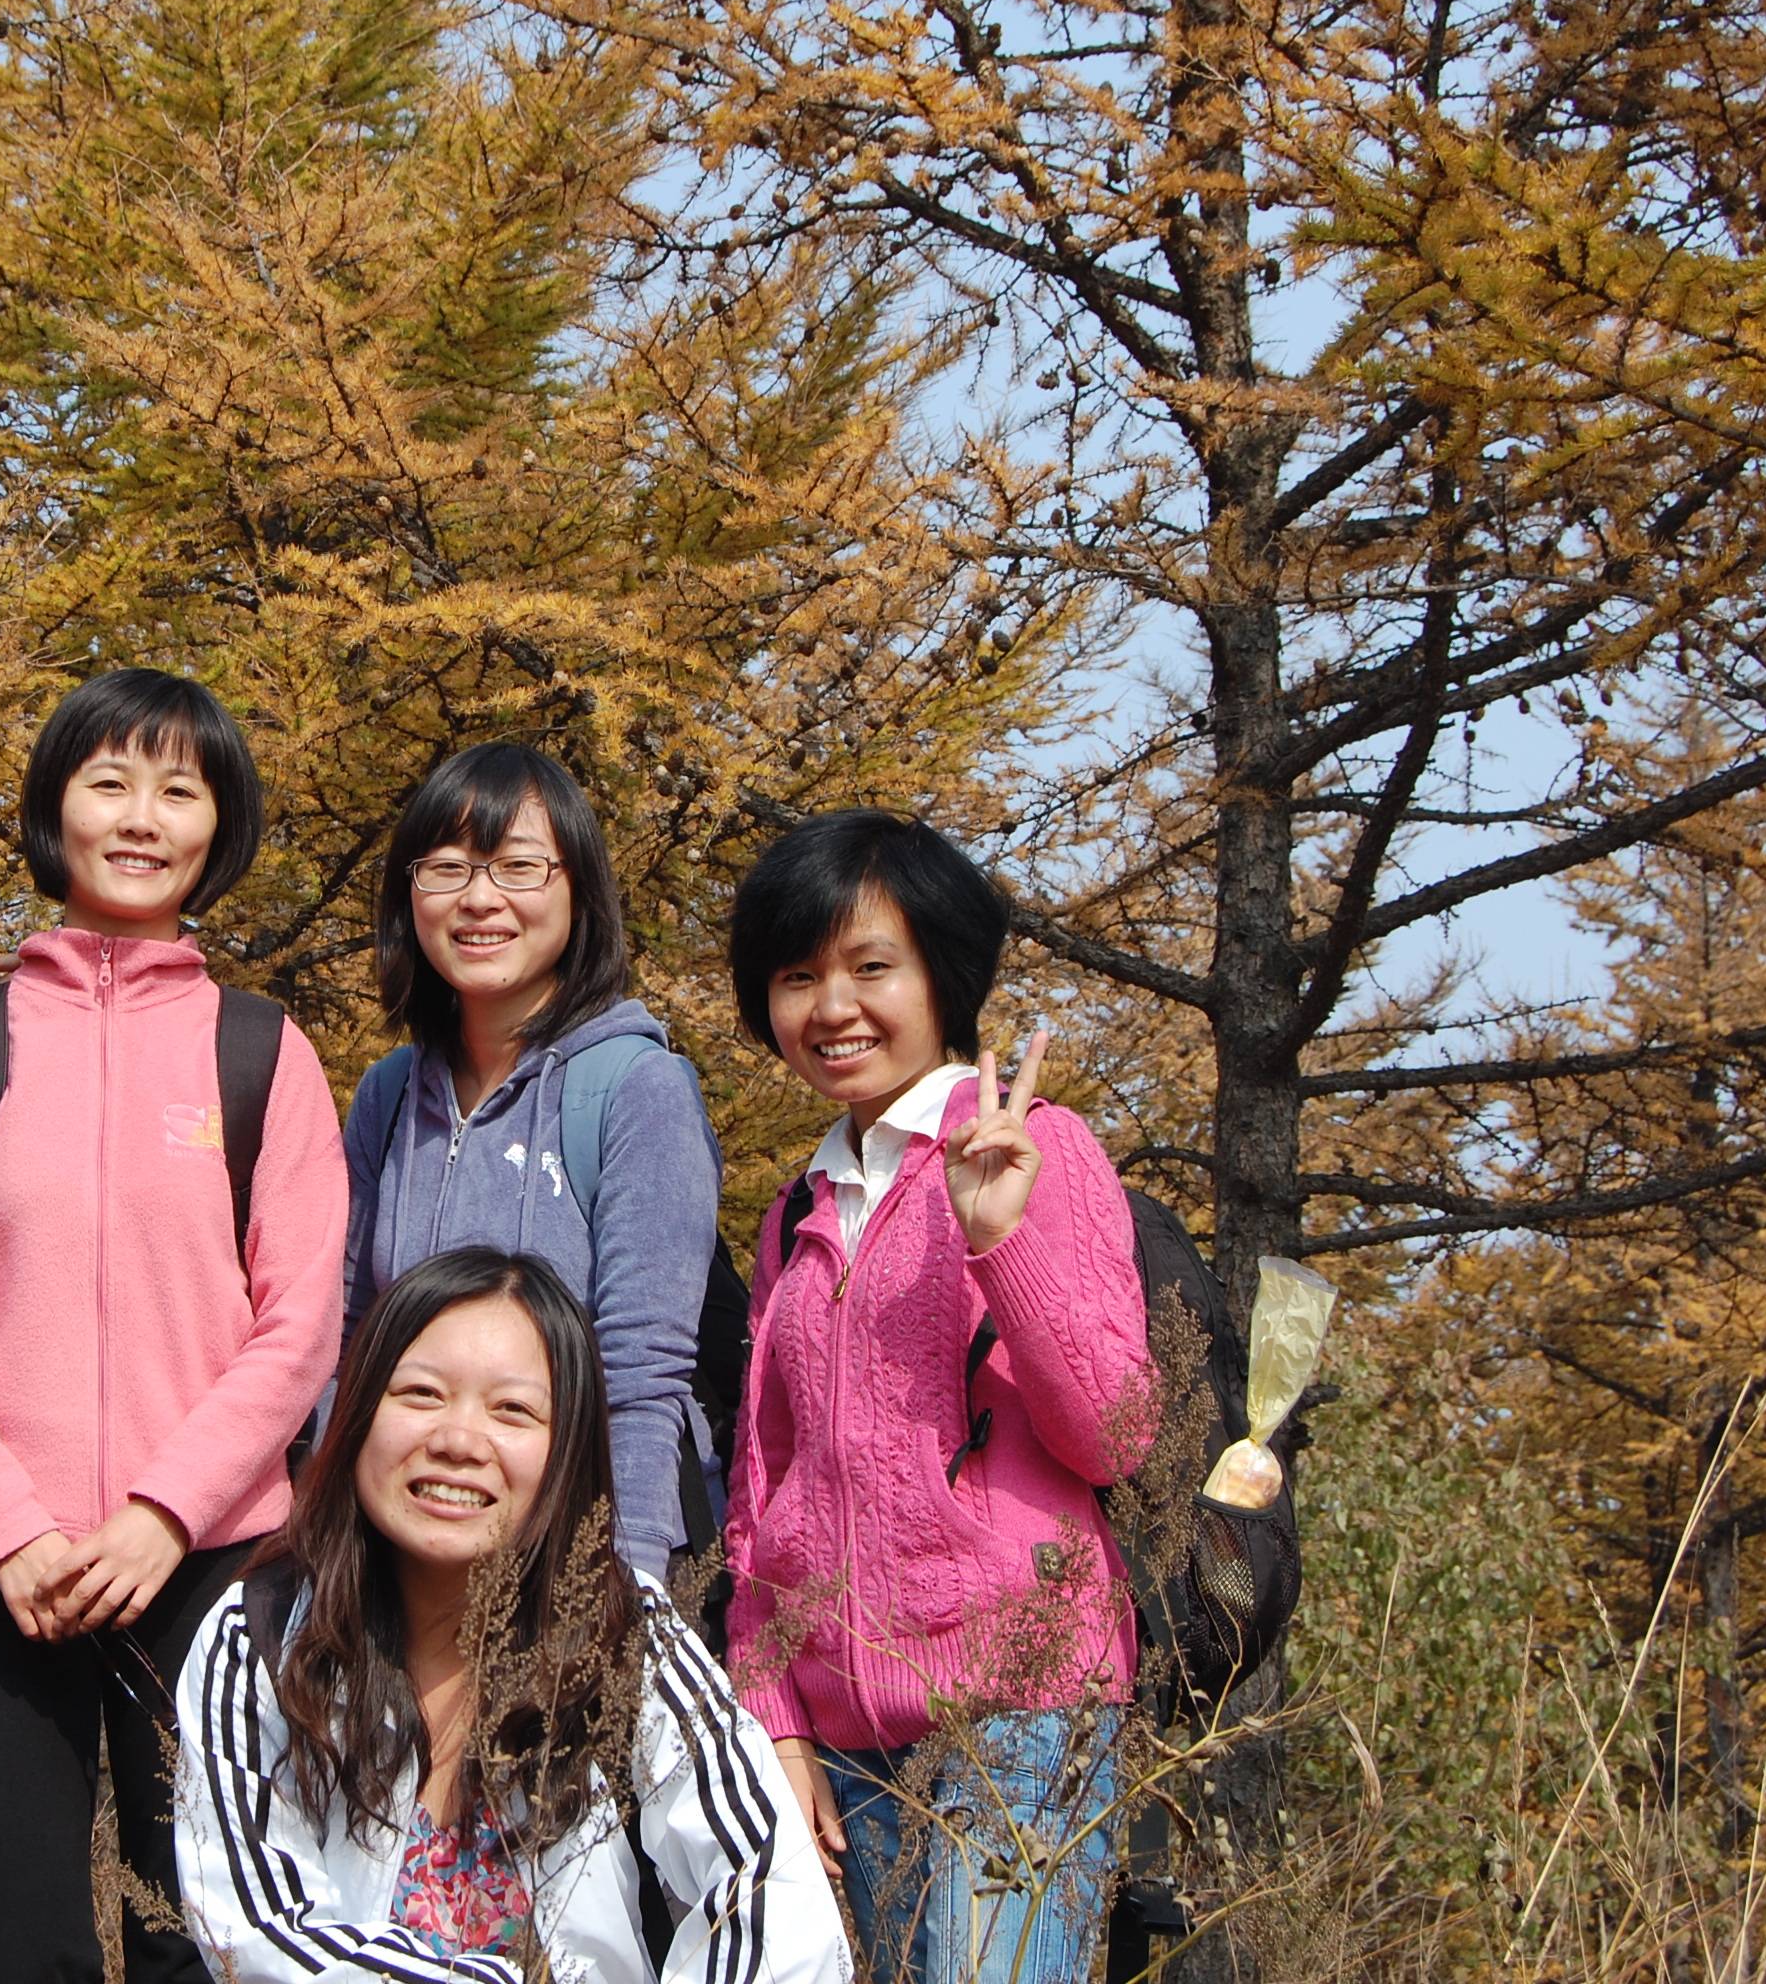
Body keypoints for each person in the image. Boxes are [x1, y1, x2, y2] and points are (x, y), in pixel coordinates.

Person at [0, 668, 348, 1984]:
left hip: (209, 1558)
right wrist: (6, 1529)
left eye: (178, 790)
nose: (141, 816)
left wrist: (164, 1512)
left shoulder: (263, 1053)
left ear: (218, 826)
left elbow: (299, 1324)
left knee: (203, 1936)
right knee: (19, 1946)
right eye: (109, 781)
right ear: (54, 808)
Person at [720, 811, 1152, 1984]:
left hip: (1018, 1713)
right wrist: (773, 1712)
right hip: (845, 1739)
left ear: (941, 973)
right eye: (796, 976)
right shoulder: (797, 1209)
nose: (832, 1007)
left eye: (871, 966)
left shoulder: (1034, 1148)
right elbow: (762, 1489)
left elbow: (1116, 1433)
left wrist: (999, 1241)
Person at [175, 1245, 851, 1984]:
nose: (458, 1441)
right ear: (359, 1411)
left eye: (512, 1411)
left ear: (567, 1452)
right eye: (421, 1394)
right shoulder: (265, 1636)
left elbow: (771, 1885)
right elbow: (260, 1932)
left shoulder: (626, 1634)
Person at [342, 744, 725, 1581]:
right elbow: (349, 1338)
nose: (480, 898)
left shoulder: (637, 1089)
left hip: (575, 1559)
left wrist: (628, 1583)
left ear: (579, 891)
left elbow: (642, 1370)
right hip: (412, 1552)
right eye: (447, 868)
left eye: (519, 867)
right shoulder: (388, 1095)